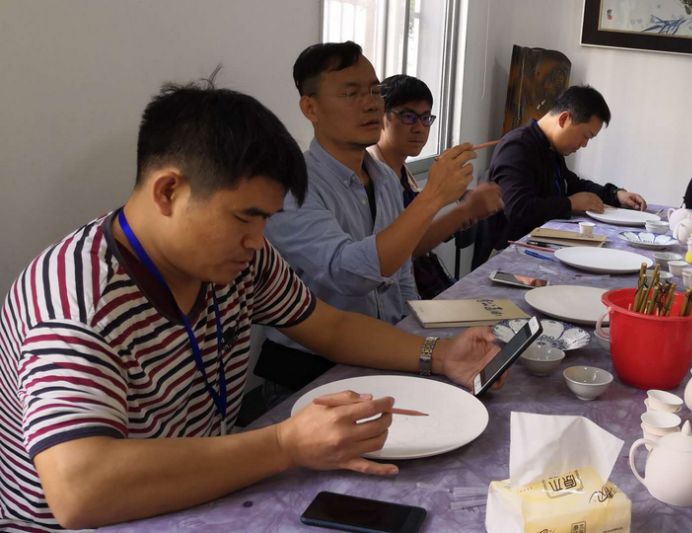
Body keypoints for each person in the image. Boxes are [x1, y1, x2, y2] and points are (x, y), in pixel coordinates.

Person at [0, 81, 502, 531]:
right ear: (169, 191)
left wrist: (439, 355)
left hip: (201, 489)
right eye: (245, 217)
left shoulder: (241, 259)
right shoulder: (77, 298)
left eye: (266, 219)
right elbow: (79, 491)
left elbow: (327, 326)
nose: (258, 240)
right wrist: (284, 444)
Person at [257, 42, 478, 393]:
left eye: (375, 91)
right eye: (351, 93)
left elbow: (402, 273)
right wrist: (433, 198)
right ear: (310, 108)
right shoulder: (293, 184)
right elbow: (347, 274)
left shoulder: (384, 177)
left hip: (385, 349)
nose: (372, 104)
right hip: (310, 369)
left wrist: (414, 334)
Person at [474, 85, 647, 264]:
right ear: (564, 119)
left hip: (541, 245)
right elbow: (519, 209)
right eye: (585, 136)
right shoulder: (517, 148)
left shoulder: (550, 148)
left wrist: (616, 194)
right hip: (509, 255)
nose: (584, 145)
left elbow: (574, 185)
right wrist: (570, 203)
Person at [368, 74, 503, 299]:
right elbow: (404, 250)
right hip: (399, 296)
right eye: (408, 117)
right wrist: (464, 212)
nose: (419, 128)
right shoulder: (372, 174)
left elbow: (417, 232)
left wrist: (465, 208)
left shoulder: (401, 170)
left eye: (425, 118)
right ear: (381, 117)